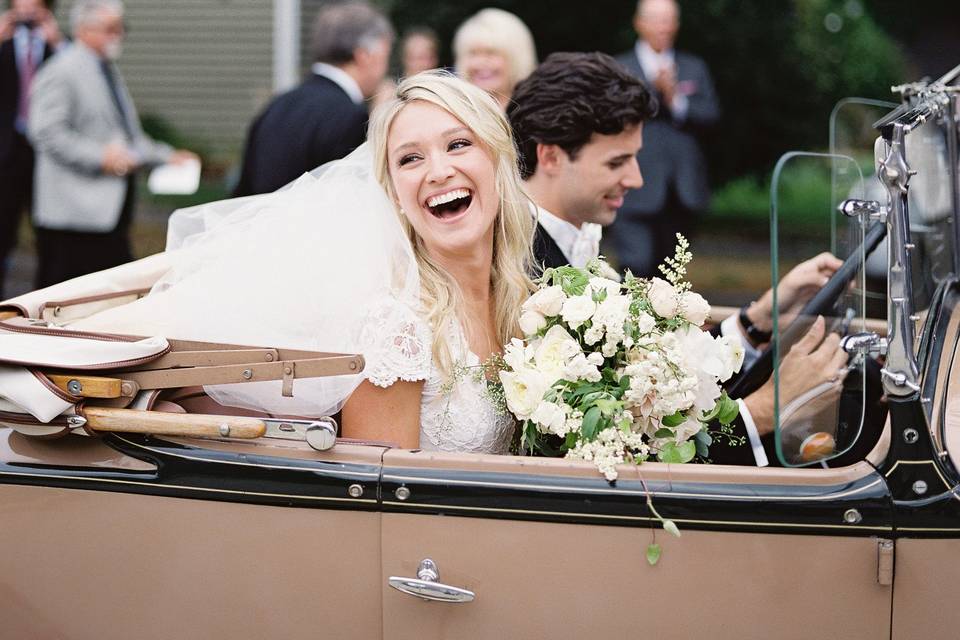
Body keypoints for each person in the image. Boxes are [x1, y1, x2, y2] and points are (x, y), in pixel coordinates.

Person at [508, 51, 845, 466]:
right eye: (617, 162)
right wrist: (767, 410)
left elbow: (654, 383)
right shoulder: (518, 271)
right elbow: (627, 449)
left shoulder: (577, 241)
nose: (636, 179)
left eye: (635, 157)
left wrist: (757, 320)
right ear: (552, 156)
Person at [28, 0, 195, 289]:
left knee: (107, 299)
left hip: (108, 215)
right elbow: (46, 132)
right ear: (83, 30)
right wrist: (100, 156)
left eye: (120, 28)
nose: (117, 36)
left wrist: (166, 156)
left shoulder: (107, 70)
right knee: (62, 304)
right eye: (110, 29)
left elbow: (128, 137)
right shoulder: (62, 70)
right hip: (72, 217)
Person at [233, 1, 393, 197]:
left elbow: (244, 191)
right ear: (364, 56)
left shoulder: (277, 105)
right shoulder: (350, 116)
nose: (384, 70)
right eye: (384, 57)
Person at [611, 0, 720, 278]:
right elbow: (612, 116)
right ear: (639, 23)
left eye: (668, 20)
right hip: (633, 188)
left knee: (671, 276)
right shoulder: (619, 68)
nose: (663, 27)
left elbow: (711, 115)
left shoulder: (693, 67)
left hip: (681, 191)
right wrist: (654, 89)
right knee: (635, 268)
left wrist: (676, 100)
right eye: (656, 20)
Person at [0, 0, 62, 297]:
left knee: (49, 234)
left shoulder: (57, 46)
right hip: (7, 152)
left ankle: (43, 300)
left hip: (46, 154)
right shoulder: (4, 42)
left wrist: (58, 42)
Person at [452, 8, 536, 110]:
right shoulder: (452, 113)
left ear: (517, 58)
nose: (479, 62)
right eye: (472, 53)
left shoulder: (541, 111)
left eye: (491, 53)